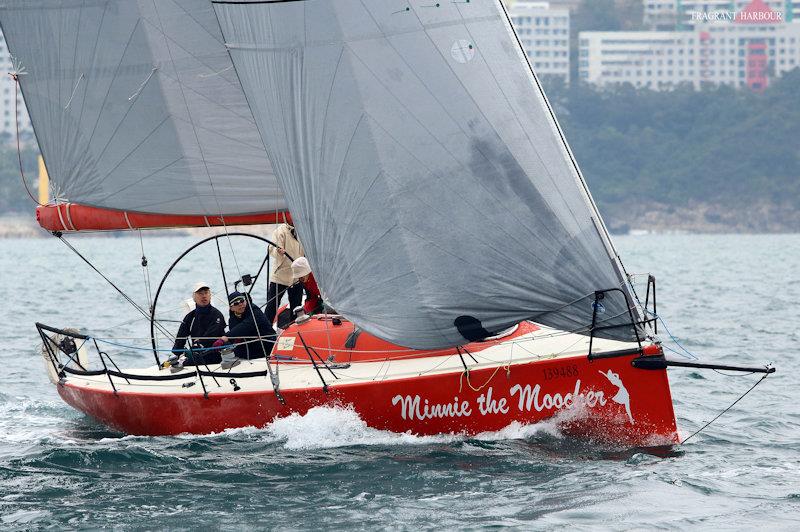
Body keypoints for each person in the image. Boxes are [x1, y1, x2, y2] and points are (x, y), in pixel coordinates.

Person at [168, 282, 226, 370]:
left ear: (210, 295)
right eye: (200, 293)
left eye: (206, 293)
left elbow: (211, 335)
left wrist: (197, 346)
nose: (204, 296)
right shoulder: (190, 317)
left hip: (216, 355)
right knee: (177, 363)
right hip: (197, 354)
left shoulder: (217, 315)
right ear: (194, 298)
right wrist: (177, 352)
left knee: (188, 360)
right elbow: (181, 337)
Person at [213, 291, 276, 363]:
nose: (240, 304)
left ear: (246, 301)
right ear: (231, 308)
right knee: (224, 348)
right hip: (249, 347)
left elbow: (246, 326)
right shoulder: (232, 319)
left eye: (242, 301)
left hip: (267, 346)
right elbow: (235, 334)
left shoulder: (254, 311)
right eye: (236, 303)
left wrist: (226, 337)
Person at [267, 221, 305, 325]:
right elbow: (271, 249)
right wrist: (278, 252)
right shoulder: (280, 231)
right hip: (280, 275)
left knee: (296, 306)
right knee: (272, 305)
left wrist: (304, 273)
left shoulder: (304, 230)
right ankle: (265, 331)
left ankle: (294, 330)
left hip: (297, 276)